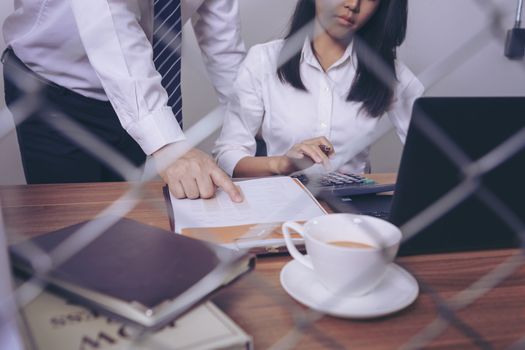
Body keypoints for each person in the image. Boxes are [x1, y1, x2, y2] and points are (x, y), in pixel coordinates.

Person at [2, 0, 243, 202]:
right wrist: (169, 146)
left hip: (134, 95)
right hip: (53, 86)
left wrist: (252, 122)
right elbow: (109, 23)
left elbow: (223, 38)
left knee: (127, 224)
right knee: (71, 225)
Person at [213, 0, 424, 178]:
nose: (353, 4)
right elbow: (227, 154)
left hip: (351, 214)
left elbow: (433, 151)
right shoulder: (264, 60)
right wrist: (281, 164)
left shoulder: (388, 73)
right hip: (283, 208)